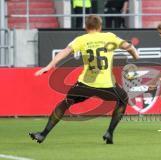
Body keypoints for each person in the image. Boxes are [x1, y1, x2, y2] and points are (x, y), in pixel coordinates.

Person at [29, 15, 139, 144]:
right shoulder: (109, 36)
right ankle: (109, 132)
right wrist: (135, 55)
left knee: (65, 103)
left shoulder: (81, 39)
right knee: (123, 99)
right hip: (106, 85)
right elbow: (129, 47)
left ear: (86, 27)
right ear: (100, 26)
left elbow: (65, 51)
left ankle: (43, 134)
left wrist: (49, 66)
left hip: (86, 84)